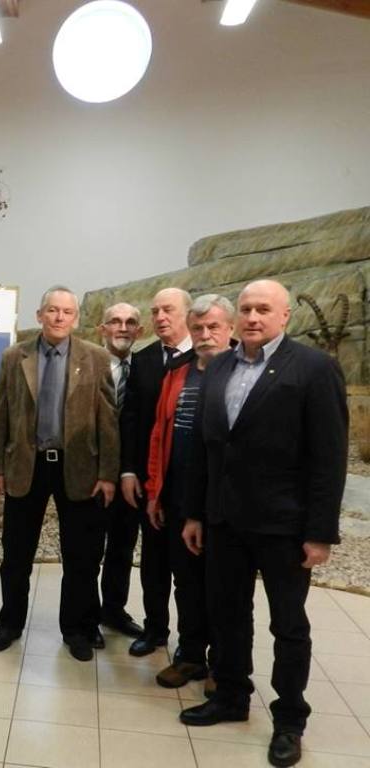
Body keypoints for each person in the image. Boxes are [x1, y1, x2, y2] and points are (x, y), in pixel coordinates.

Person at [179, 280, 348, 768]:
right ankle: (231, 695)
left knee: (288, 625)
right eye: (247, 308)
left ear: (285, 316)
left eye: (264, 309)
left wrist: (320, 532)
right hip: (225, 521)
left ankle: (290, 719)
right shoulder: (220, 366)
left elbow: (329, 457)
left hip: (284, 526)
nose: (253, 317)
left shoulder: (314, 368)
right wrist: (195, 513)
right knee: (227, 615)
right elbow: (208, 450)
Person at [0, 287, 118, 662]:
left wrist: (108, 473)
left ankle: (75, 629)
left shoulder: (96, 358)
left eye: (67, 312)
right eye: (53, 310)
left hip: (79, 469)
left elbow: (108, 421)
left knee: (80, 556)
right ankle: (10, 623)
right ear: (40, 314)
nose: (59, 317)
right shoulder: (15, 357)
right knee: (16, 555)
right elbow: (0, 413)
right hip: (26, 466)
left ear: (76, 318)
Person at [143, 294, 233, 689]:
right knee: (187, 581)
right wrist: (155, 491)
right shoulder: (177, 372)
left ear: (229, 329)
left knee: (224, 587)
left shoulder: (242, 371)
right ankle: (191, 656)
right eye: (198, 328)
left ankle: (224, 666)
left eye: (214, 327)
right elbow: (159, 433)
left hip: (224, 502)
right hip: (179, 496)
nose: (205, 334)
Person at [119, 287, 193, 657]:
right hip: (151, 482)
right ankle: (155, 630)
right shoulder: (144, 360)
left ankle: (192, 643)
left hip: (191, 484)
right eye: (155, 311)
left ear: (188, 314)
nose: (160, 317)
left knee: (190, 570)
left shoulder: (209, 356)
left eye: (168, 310)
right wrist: (128, 471)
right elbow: (132, 420)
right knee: (153, 564)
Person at [96, 302, 145, 638]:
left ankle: (113, 611)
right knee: (87, 551)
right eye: (115, 321)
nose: (122, 328)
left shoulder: (147, 368)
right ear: (103, 329)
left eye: (130, 322)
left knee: (122, 548)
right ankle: (85, 617)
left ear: (139, 331)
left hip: (131, 476)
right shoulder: (85, 365)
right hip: (91, 475)